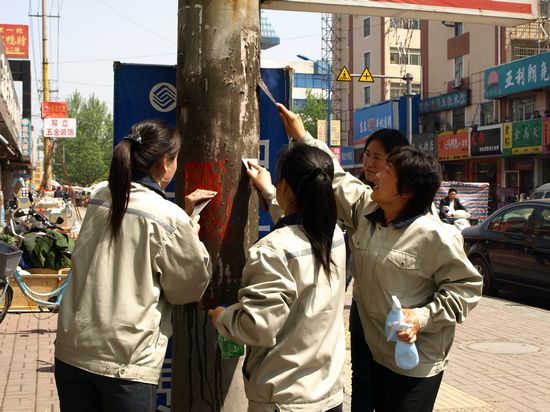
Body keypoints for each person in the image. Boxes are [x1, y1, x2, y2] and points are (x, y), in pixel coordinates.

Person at [261, 103, 482, 411]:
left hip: (415, 361)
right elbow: (336, 177)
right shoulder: (367, 210)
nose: (375, 175)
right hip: (373, 349)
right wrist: (302, 135)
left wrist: (421, 317)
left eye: (387, 172)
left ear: (405, 190)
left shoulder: (436, 236)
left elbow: (466, 289)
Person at [54, 119, 216, 412]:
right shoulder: (168, 218)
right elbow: (188, 288)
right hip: (124, 365)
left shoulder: (100, 198)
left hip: (72, 352)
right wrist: (187, 228)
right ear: (166, 162)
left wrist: (182, 222)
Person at [208, 144, 347, 412]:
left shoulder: (273, 249)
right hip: (329, 394)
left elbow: (258, 326)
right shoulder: (334, 236)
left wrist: (223, 318)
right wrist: (271, 193)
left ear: (285, 186)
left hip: (284, 400)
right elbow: (298, 227)